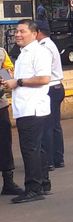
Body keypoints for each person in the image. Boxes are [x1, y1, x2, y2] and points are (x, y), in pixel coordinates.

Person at [2, 20, 53, 203]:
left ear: (34, 33)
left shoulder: (38, 52)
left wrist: (18, 82)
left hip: (32, 107)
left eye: (22, 31)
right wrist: (11, 82)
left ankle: (33, 188)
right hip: (25, 107)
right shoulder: (23, 53)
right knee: (36, 149)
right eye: (16, 31)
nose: (17, 34)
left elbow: (44, 78)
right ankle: (43, 183)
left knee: (30, 149)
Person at [35, 20, 66, 169]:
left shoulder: (44, 48)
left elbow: (43, 71)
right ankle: (58, 158)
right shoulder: (50, 44)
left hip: (50, 87)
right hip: (56, 87)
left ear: (38, 32)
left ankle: (49, 160)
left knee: (47, 126)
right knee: (54, 125)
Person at [0, 44, 22, 196]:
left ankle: (8, 182)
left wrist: (5, 78)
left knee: (4, 144)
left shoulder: (1, 53)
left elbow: (9, 72)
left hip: (0, 106)